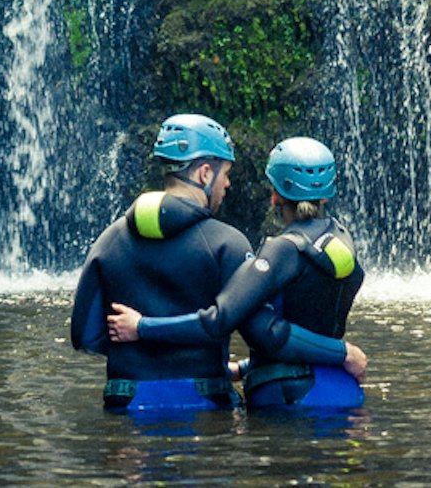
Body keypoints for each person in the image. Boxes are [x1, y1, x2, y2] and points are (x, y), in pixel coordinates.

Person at [70, 114, 351, 413]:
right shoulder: (228, 243)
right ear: (205, 173)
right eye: (226, 174)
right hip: (203, 400)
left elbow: (85, 336)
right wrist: (341, 352)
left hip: (126, 398)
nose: (227, 184)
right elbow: (261, 333)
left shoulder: (108, 239)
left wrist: (141, 354)